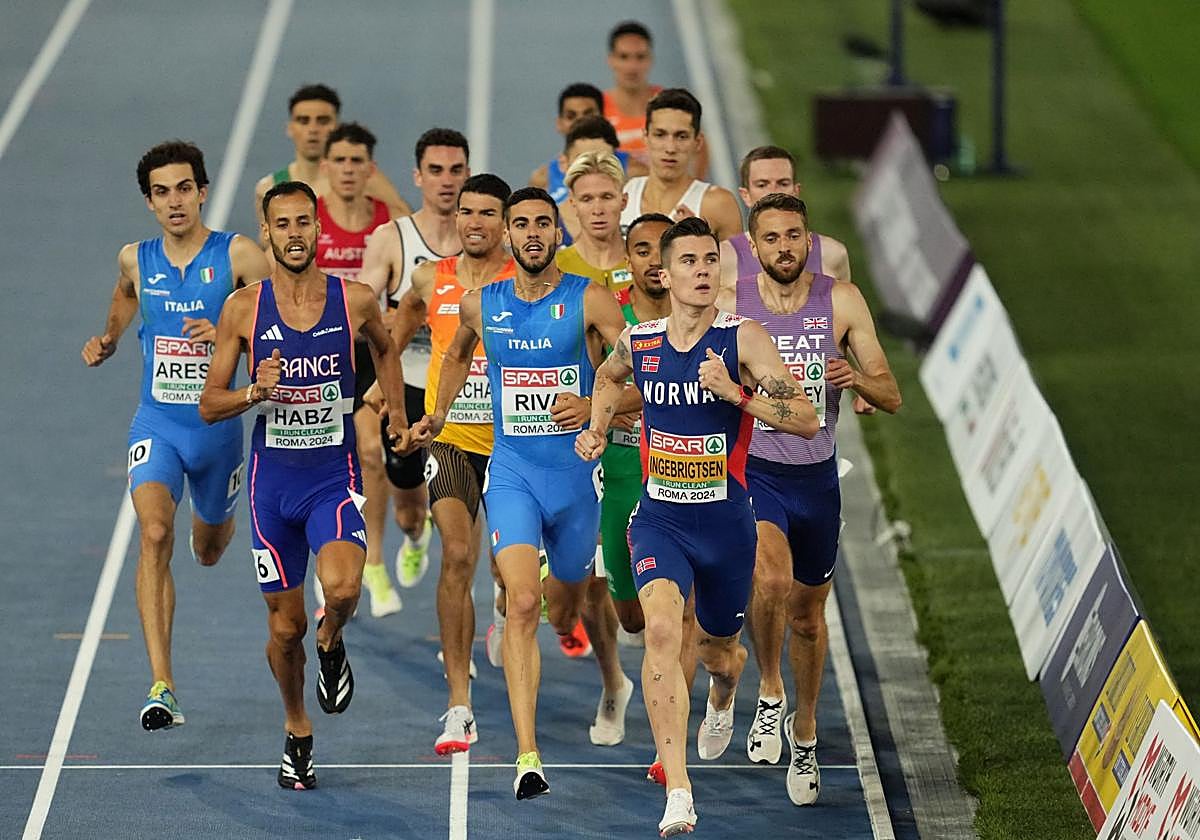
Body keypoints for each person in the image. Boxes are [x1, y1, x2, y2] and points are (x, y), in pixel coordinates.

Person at [575, 216, 819, 836]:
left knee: (716, 651)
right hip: (659, 521)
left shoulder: (745, 340)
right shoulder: (644, 341)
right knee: (660, 634)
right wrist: (598, 428)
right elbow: (607, 376)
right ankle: (678, 789)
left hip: (727, 525)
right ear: (665, 273)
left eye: (711, 261)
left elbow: (805, 418)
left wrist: (737, 396)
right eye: (689, 262)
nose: (703, 272)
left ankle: (725, 690)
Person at [407, 187, 634, 799]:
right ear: (508, 237)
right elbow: (455, 355)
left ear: (557, 233)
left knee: (564, 606)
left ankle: (612, 680)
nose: (532, 233)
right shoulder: (483, 304)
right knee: (523, 601)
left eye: (543, 223)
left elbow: (641, 371)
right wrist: (436, 413)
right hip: (512, 474)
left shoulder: (588, 298)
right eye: (521, 225)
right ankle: (527, 755)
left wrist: (595, 409)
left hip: (576, 481)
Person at [199, 180, 406, 790]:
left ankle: (333, 636)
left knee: (342, 588)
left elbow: (388, 349)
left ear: (319, 231)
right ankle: (297, 728)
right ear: (266, 233)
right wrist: (252, 393)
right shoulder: (243, 309)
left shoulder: (356, 299)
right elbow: (211, 404)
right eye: (282, 224)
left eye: (303, 223)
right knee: (282, 630)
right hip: (272, 490)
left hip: (330, 476)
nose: (294, 234)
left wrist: (393, 414)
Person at [82, 140, 270, 732]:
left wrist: (227, 332)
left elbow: (286, 321)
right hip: (157, 423)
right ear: (149, 202)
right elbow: (125, 295)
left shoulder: (237, 254)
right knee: (154, 532)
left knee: (209, 549)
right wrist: (110, 337)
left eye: (183, 188)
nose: (174, 201)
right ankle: (161, 683)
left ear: (202, 191)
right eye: (161, 192)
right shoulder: (136, 259)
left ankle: (209, 528)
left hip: (217, 431)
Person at [719, 193, 900, 805]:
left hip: (817, 478)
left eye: (794, 235)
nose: (784, 248)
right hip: (755, 471)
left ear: (808, 237)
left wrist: (857, 379)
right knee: (769, 581)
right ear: (753, 246)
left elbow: (891, 393)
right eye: (770, 239)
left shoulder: (841, 301)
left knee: (807, 616)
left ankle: (805, 729)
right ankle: (769, 691)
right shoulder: (732, 307)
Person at [380, 173, 514, 754]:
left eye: (488, 213)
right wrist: (383, 395)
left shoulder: (529, 280)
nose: (475, 222)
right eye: (467, 212)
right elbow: (395, 329)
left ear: (506, 223)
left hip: (517, 444)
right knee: (456, 553)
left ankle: (509, 610)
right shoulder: (430, 277)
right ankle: (458, 704)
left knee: (515, 572)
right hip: (451, 438)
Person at [360, 128, 471, 589]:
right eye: (436, 171)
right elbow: (361, 311)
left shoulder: (481, 239)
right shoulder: (392, 239)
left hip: (467, 388)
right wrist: (389, 317)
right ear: (418, 177)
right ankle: (414, 535)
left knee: (467, 508)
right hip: (406, 385)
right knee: (409, 506)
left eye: (456, 170)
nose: (446, 180)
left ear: (468, 174)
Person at [308, 122, 404, 618]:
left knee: (371, 452)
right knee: (323, 461)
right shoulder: (313, 219)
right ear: (326, 168)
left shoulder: (388, 221)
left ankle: (377, 560)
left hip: (371, 351)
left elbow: (422, 243)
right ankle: (331, 566)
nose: (348, 170)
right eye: (339, 161)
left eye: (357, 162)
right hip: (321, 354)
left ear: (371, 168)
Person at [253, 83, 409, 234]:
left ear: (336, 126)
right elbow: (268, 247)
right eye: (303, 121)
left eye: (322, 121)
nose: (313, 129)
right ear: (290, 128)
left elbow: (408, 224)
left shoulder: (363, 180)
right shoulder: (269, 188)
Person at [720, 145, 851, 286]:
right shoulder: (723, 259)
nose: (773, 192)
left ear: (796, 191)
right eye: (762, 185)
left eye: (783, 183)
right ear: (745, 195)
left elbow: (847, 305)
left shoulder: (833, 254)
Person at [619, 89, 741, 240]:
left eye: (681, 136)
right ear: (646, 137)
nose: (670, 148)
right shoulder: (623, 194)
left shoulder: (718, 205)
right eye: (660, 135)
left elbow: (742, 264)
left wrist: (698, 241)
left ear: (697, 142)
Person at [603, 21, 708, 177]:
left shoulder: (673, 106)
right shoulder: (596, 110)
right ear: (611, 60)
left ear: (650, 60)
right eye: (624, 57)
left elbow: (700, 149)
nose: (632, 66)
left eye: (640, 57)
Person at [555, 116, 644, 245]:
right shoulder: (547, 224)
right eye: (583, 161)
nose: (594, 169)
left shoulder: (638, 223)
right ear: (563, 163)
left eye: (605, 161)